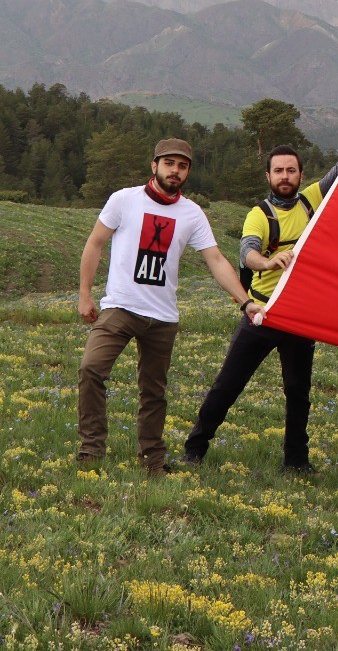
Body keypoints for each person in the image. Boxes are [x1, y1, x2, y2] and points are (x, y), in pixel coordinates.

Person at [76, 137, 252, 473]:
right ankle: (91, 449)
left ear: (187, 173)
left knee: (154, 392)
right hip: (120, 308)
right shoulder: (124, 200)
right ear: (154, 165)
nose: (175, 171)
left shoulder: (192, 214)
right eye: (169, 163)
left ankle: (152, 460)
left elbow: (215, 259)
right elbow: (94, 244)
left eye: (182, 166)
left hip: (162, 316)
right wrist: (85, 295)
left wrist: (246, 302)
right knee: (91, 369)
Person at [183, 145, 338, 473]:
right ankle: (194, 450)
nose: (285, 177)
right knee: (228, 384)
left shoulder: (312, 199)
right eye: (279, 171)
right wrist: (269, 263)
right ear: (268, 176)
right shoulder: (259, 214)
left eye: (291, 171)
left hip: (300, 316)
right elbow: (247, 254)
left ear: (301, 175)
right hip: (262, 313)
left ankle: (297, 462)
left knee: (298, 392)